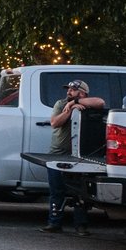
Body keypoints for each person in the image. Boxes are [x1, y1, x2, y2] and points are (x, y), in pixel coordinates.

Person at [42, 79, 105, 236]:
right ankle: (54, 222)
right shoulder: (60, 104)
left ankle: (81, 225)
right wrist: (70, 109)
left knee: (79, 192)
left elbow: (100, 102)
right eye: (68, 89)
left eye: (73, 90)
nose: (68, 91)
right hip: (57, 154)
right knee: (56, 191)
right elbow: (55, 123)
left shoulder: (89, 105)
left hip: (78, 157)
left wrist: (76, 103)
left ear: (82, 93)